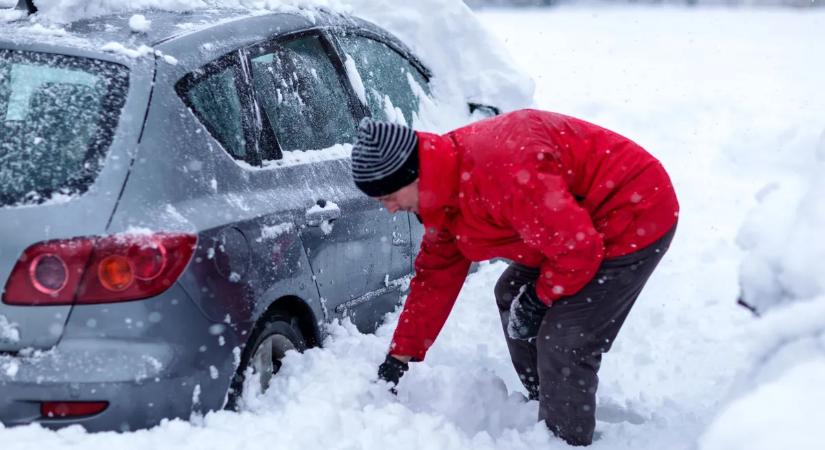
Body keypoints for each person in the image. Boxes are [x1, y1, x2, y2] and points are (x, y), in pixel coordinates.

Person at [350, 109, 679, 446]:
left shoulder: (503, 171)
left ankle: (563, 439)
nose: (389, 209)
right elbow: (435, 276)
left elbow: (578, 250)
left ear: (412, 175)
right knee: (511, 295)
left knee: (565, 341)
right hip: (572, 229)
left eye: (389, 197)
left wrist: (540, 297)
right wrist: (399, 355)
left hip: (633, 210)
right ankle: (547, 401)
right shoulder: (443, 193)